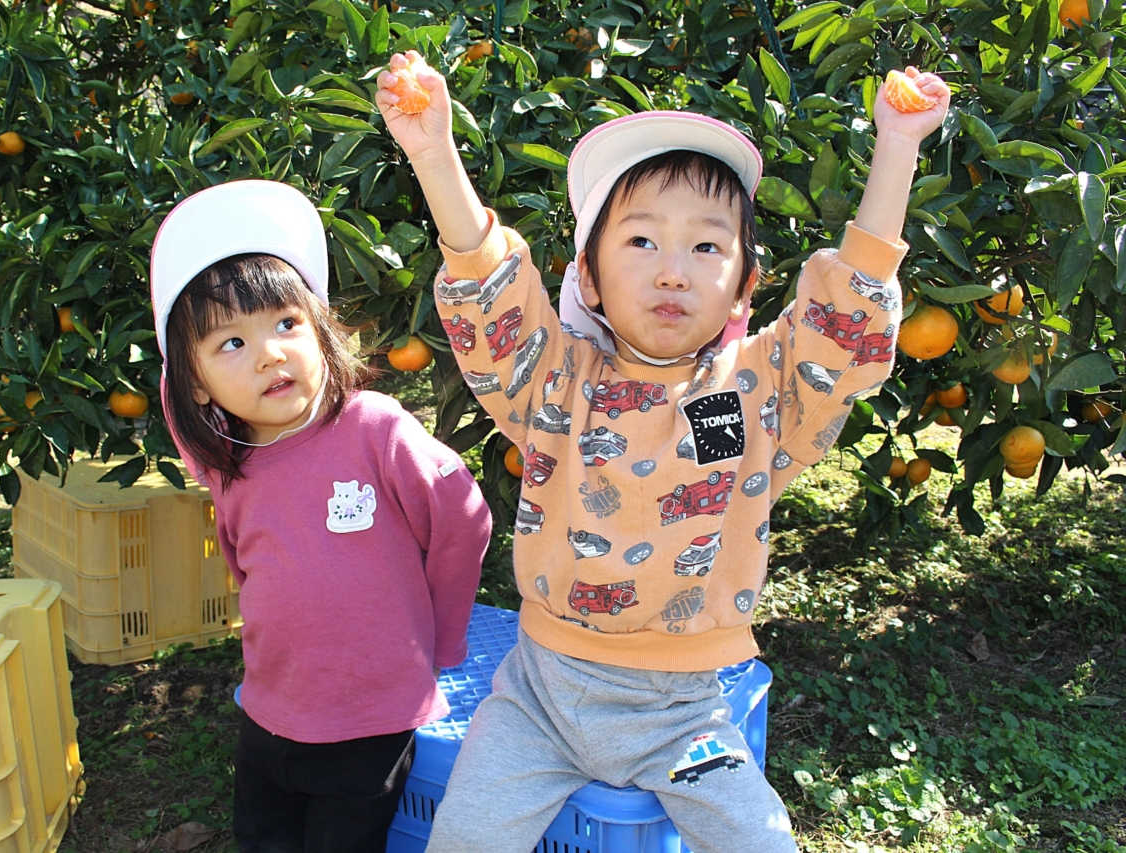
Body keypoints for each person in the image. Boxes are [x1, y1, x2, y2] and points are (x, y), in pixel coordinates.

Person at [377, 53, 948, 852]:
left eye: (708, 248)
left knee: (764, 841)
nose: (673, 269)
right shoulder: (555, 384)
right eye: (641, 238)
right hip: (537, 700)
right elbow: (491, 291)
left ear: (746, 287)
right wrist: (434, 154)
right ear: (590, 278)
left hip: (683, 714)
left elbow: (842, 323)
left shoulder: (751, 396)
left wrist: (898, 146)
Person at [149, 179, 493, 853]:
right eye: (230, 344)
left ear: (321, 327)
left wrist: (442, 639)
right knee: (263, 838)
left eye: (285, 323)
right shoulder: (229, 459)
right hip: (270, 711)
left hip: (369, 720)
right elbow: (174, 395)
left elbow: (464, 520)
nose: (271, 353)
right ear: (195, 382)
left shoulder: (374, 429)